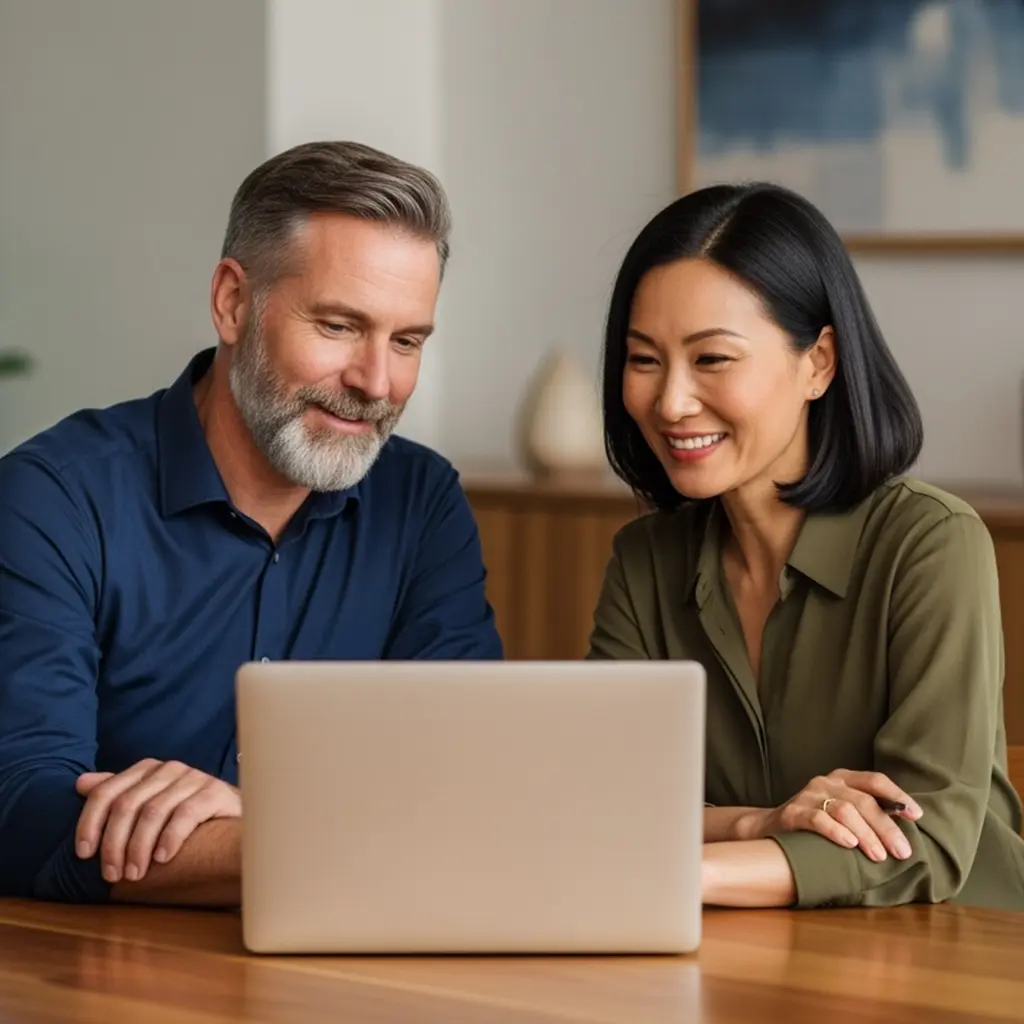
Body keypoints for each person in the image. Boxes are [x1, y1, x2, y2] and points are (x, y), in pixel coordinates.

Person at [0, 141, 503, 906]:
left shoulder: (421, 500)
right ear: (234, 302)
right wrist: (307, 836)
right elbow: (23, 814)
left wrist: (261, 823)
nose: (377, 382)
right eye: (338, 326)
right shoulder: (54, 499)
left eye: (406, 342)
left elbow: (470, 783)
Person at [588, 182, 1024, 911]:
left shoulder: (929, 545)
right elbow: (606, 808)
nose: (670, 402)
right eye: (644, 360)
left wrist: (685, 870)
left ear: (819, 362)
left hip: (959, 961)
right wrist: (762, 823)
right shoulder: (643, 562)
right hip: (739, 966)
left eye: (713, 359)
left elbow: (929, 836)